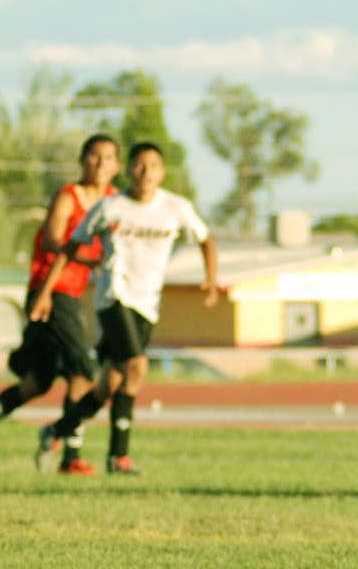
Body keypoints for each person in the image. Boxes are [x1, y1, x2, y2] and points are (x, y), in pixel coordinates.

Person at [30, 142, 219, 475]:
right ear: (129, 169)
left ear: (162, 172)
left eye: (153, 166)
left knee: (110, 384)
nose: (146, 173)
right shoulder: (110, 207)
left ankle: (57, 430)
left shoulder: (176, 207)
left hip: (148, 303)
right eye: (140, 165)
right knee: (137, 365)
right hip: (114, 298)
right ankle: (119, 458)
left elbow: (205, 240)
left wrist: (211, 279)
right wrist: (45, 293)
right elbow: (67, 248)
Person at [1, 134, 119, 474]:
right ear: (82, 160)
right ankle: (71, 456)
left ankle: (64, 445)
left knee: (38, 381)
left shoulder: (114, 201)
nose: (100, 163)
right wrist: (90, 259)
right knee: (83, 371)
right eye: (94, 156)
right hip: (51, 292)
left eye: (108, 157)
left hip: (73, 293)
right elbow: (53, 242)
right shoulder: (69, 196)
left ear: (117, 166)